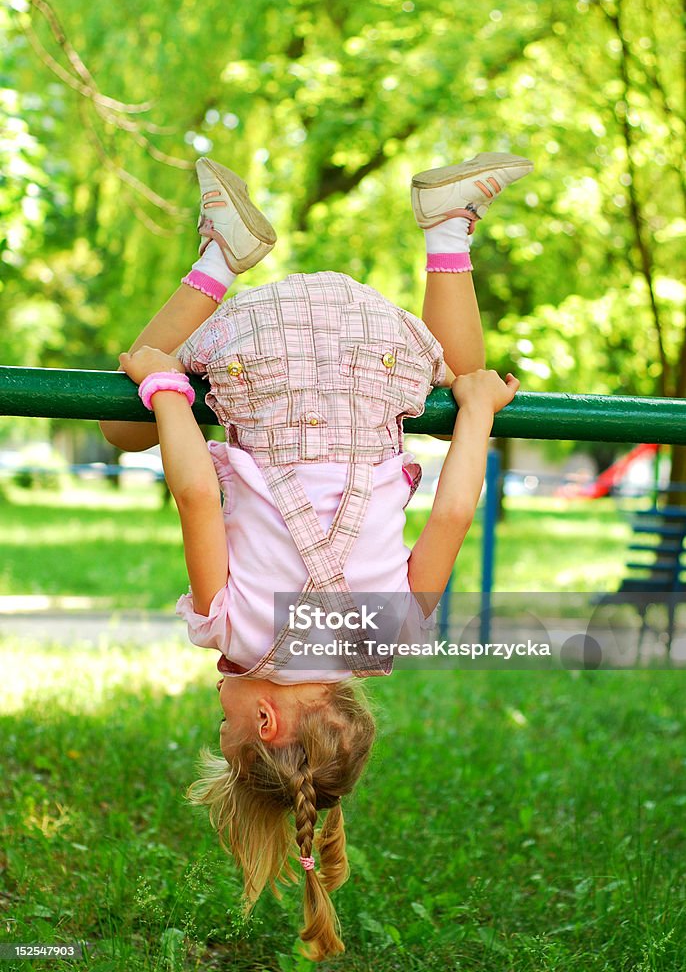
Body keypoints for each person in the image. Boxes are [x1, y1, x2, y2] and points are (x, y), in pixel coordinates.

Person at [99, 151, 531, 960]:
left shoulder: (386, 638)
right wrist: (164, 393)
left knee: (469, 371)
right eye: (227, 735)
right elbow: (195, 495)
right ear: (264, 722)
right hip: (255, 350)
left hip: (378, 343)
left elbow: (454, 510)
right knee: (119, 425)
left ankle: (445, 227)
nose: (219, 717)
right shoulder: (232, 632)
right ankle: (220, 258)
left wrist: (474, 410)